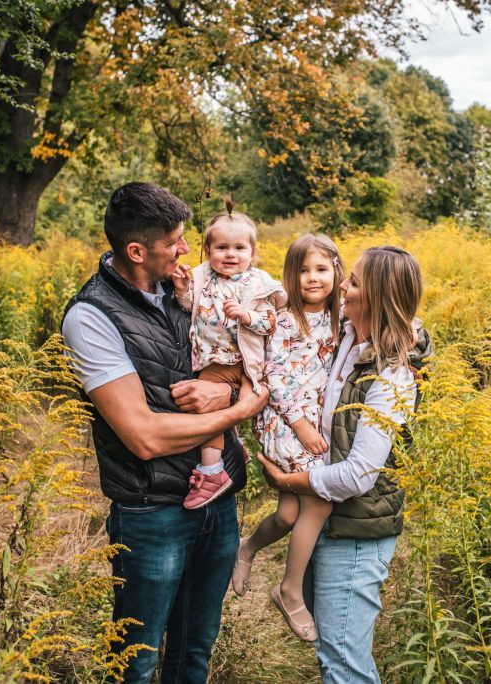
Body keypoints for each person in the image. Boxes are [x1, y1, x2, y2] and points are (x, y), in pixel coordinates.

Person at [61, 182, 267, 683]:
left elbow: (249, 349)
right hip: (152, 513)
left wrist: (228, 390)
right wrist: (239, 411)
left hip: (216, 501)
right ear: (136, 251)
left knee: (194, 650)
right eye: (174, 241)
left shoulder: (191, 289)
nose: (185, 250)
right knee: (138, 660)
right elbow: (144, 437)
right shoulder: (91, 318)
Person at [256, 246, 433, 683]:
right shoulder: (352, 337)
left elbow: (358, 474)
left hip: (356, 531)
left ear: (373, 297)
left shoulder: (392, 375)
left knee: (344, 667)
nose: (341, 286)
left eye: (351, 281)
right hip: (331, 519)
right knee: (332, 656)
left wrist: (288, 479)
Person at [232, 234, 344, 642]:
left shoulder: (342, 316)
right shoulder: (282, 319)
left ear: (336, 271)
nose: (312, 278)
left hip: (316, 421)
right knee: (320, 502)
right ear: (289, 277)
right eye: (302, 271)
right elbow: (273, 376)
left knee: (289, 515)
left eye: (321, 269)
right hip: (285, 419)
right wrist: (298, 424)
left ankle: (246, 548)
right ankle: (290, 591)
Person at [171, 197, 285, 509]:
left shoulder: (258, 283)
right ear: (208, 251)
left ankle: (212, 471)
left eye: (239, 249)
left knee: (206, 407)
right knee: (214, 405)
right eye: (221, 248)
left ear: (253, 253)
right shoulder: (201, 276)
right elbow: (187, 307)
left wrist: (247, 317)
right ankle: (230, 447)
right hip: (212, 356)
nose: (230, 254)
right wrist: (182, 289)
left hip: (243, 358)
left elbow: (273, 322)